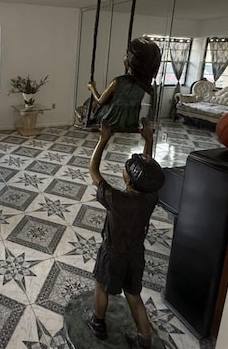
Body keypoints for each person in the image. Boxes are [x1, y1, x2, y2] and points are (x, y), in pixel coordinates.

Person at [85, 117, 165, 349]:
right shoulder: (151, 197)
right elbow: (148, 172)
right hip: (136, 255)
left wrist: (102, 140)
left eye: (125, 169)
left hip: (112, 253)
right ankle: (144, 339)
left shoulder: (117, 200)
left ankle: (98, 323)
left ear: (127, 180)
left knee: (101, 284)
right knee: (133, 294)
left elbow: (93, 170)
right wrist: (148, 140)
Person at [86, 37, 161, 133]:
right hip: (130, 120)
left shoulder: (118, 81)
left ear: (132, 60)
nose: (125, 56)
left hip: (109, 118)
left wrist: (92, 87)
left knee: (84, 108)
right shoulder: (144, 85)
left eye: (127, 55)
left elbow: (100, 100)